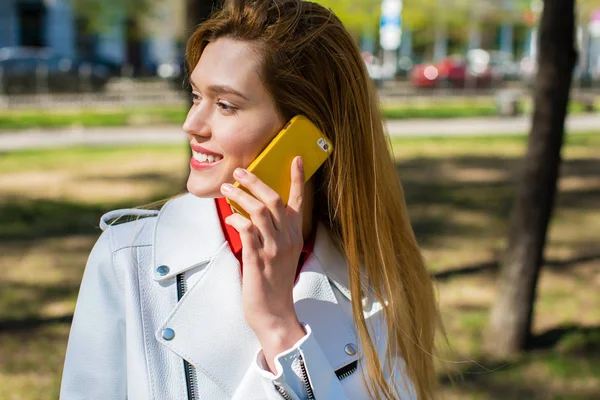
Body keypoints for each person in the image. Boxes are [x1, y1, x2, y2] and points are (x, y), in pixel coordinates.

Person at [60, 0, 441, 399]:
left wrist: (279, 328)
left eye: (225, 105)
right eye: (195, 96)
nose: (191, 125)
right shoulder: (126, 259)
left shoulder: (373, 280)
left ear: (306, 132)